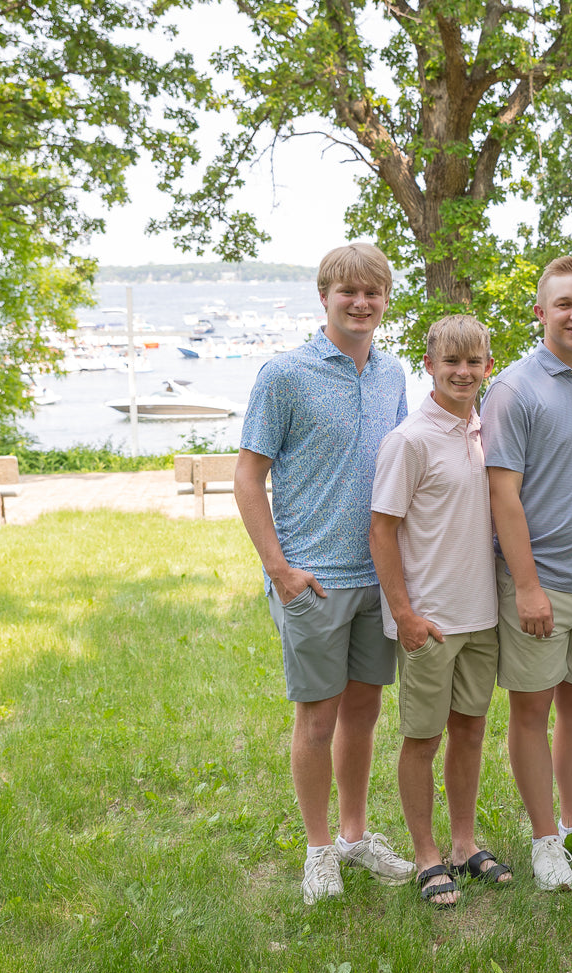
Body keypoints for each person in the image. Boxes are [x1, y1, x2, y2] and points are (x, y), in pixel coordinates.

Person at [235, 243, 415, 904]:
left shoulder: (394, 374)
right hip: (313, 580)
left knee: (363, 714)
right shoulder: (284, 374)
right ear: (325, 297)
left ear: (384, 300)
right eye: (348, 292)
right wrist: (279, 569)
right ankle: (318, 852)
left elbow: (405, 470)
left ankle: (355, 836)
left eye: (373, 292)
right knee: (316, 719)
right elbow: (248, 476)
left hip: (378, 577)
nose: (361, 303)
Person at [481, 256, 572, 891]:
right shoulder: (513, 390)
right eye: (563, 304)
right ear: (539, 312)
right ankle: (543, 840)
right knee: (532, 711)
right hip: (539, 584)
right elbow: (503, 497)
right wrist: (528, 585)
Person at [369, 314, 510, 909]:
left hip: (481, 616)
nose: (462, 372)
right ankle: (427, 855)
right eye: (450, 361)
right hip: (429, 619)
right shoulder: (409, 439)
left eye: (473, 361)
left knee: (470, 731)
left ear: (488, 366)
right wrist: (403, 614)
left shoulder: (487, 432)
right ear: (429, 365)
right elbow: (381, 528)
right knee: (422, 738)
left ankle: (462, 844)